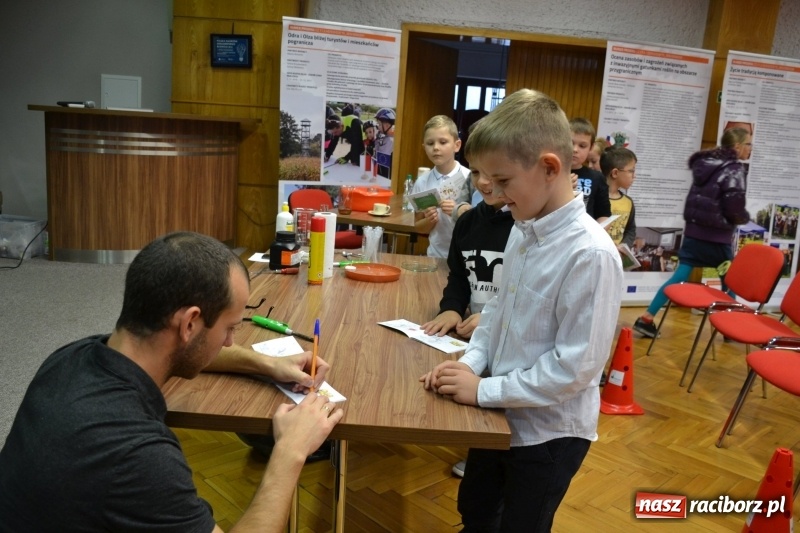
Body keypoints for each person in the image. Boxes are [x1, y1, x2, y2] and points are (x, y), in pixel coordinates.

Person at [0, 232, 343, 532]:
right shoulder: (138, 455)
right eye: (229, 328)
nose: (228, 342)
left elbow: (186, 350)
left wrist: (268, 364)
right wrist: (290, 450)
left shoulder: (71, 357)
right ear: (190, 324)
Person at [419, 89, 623, 532]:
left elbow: (574, 369)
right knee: (476, 509)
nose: (491, 190)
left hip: (547, 434)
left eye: (503, 179)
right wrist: (469, 364)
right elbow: (496, 310)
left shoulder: (590, 254)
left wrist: (482, 390)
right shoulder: (522, 227)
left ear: (549, 168)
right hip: (498, 413)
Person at [633, 127, 752, 338]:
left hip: (694, 235)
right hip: (717, 239)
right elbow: (734, 206)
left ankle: (647, 317)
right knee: (729, 281)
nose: (751, 149)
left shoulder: (705, 165)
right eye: (748, 144)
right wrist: (743, 218)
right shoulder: (734, 169)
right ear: (737, 146)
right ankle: (731, 328)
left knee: (679, 276)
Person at [413, 114, 474, 258]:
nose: (436, 148)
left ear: (457, 145)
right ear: (424, 147)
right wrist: (429, 220)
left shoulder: (470, 177)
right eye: (430, 143)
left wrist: (459, 211)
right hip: (435, 256)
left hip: (467, 258)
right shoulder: (422, 182)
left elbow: (480, 222)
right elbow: (418, 226)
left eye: (443, 142)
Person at [570, 117, 611, 222]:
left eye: (582, 146)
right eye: (570, 143)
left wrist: (598, 229)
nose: (575, 149)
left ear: (591, 147)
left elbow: (603, 214)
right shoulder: (550, 172)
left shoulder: (597, 178)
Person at [600, 146, 638, 250]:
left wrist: (624, 246)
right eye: (631, 171)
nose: (634, 176)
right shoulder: (594, 199)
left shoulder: (628, 202)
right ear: (615, 173)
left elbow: (630, 230)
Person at [373, 107, 396, 178]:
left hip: (386, 178)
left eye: (380, 124)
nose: (378, 127)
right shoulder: (389, 137)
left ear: (387, 125)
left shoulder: (389, 140)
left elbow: (379, 159)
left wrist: (376, 142)